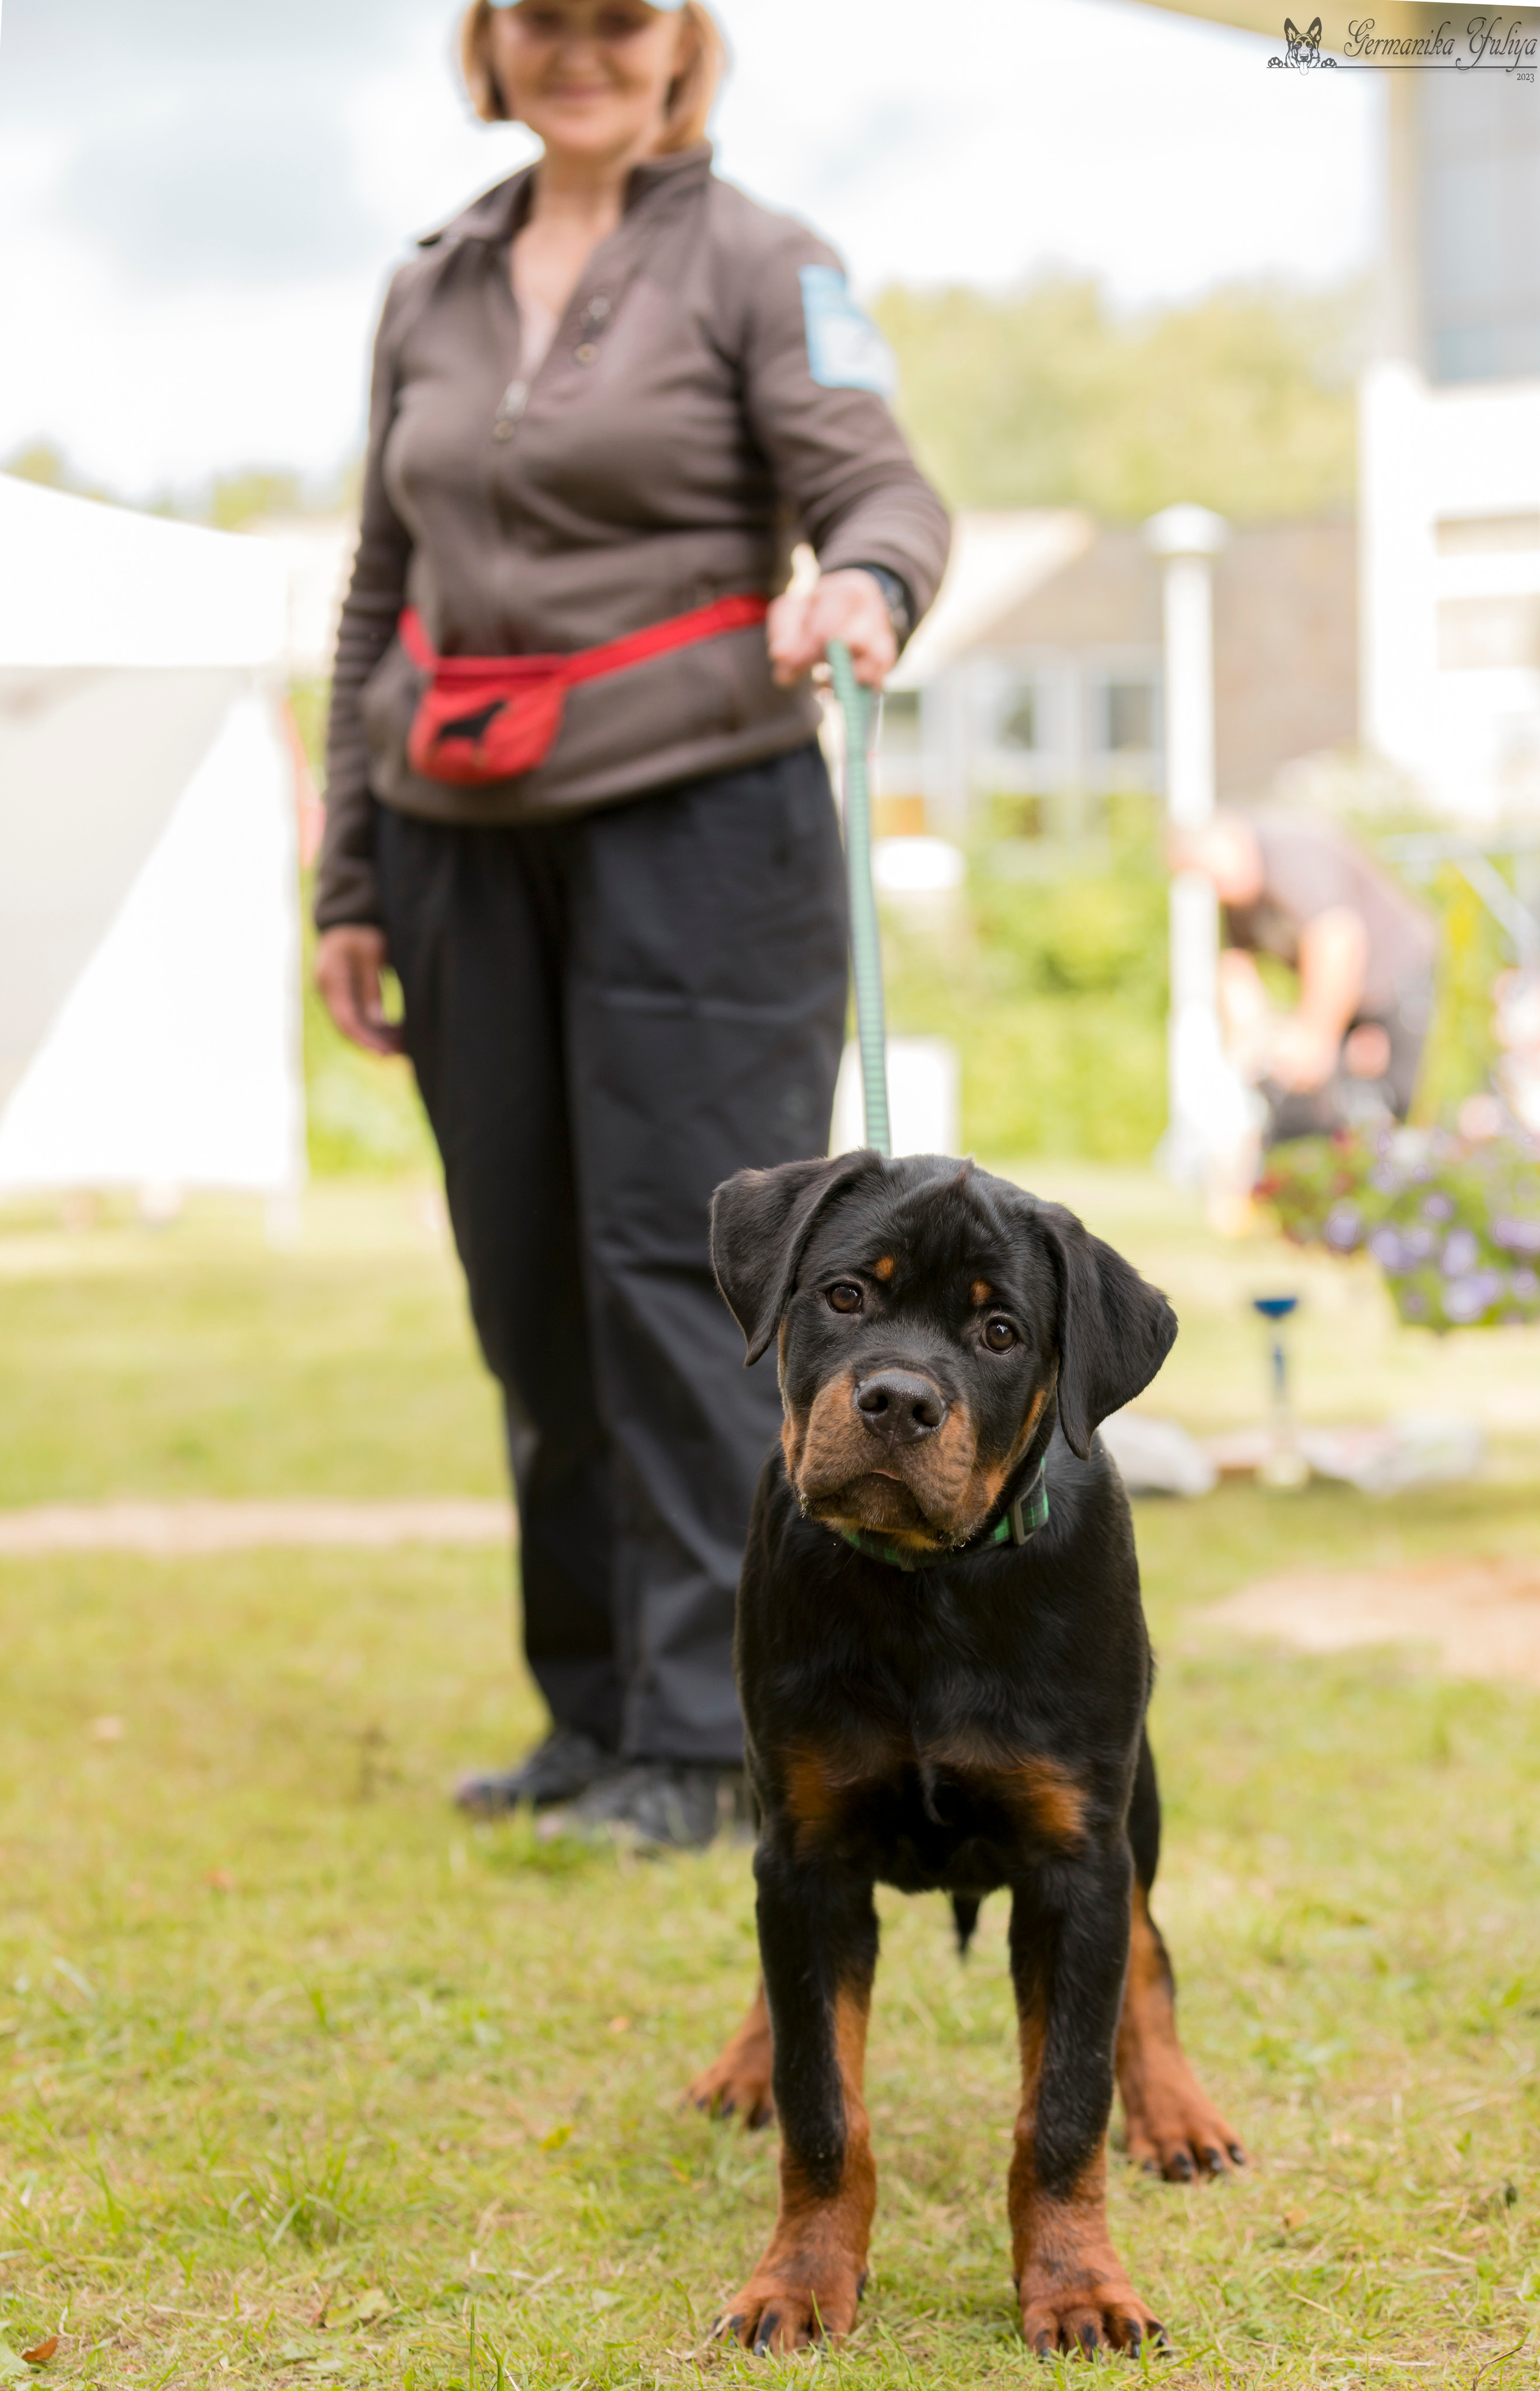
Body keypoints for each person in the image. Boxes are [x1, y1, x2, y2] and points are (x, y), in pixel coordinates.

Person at [313, 0, 949, 1848]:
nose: (580, 50)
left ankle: (702, 1733)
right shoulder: (428, 284)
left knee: (681, 1283)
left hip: (700, 821)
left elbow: (879, 483)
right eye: (544, 19)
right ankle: (590, 1710)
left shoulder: (764, 259)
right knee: (527, 1287)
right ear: (491, 48)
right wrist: (349, 876)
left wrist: (868, 575)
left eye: (621, 19)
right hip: (456, 835)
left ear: (681, 50)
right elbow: (379, 585)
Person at [1171, 807, 1438, 1143]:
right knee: (1317, 1105)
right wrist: (1250, 1036)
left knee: (1399, 1103)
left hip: (1397, 977)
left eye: (1213, 874)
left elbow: (1337, 942)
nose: (1215, 889)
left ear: (1233, 842)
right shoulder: (1240, 893)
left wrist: (1315, 1037)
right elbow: (1236, 965)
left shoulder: (1289, 856)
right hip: (1351, 997)